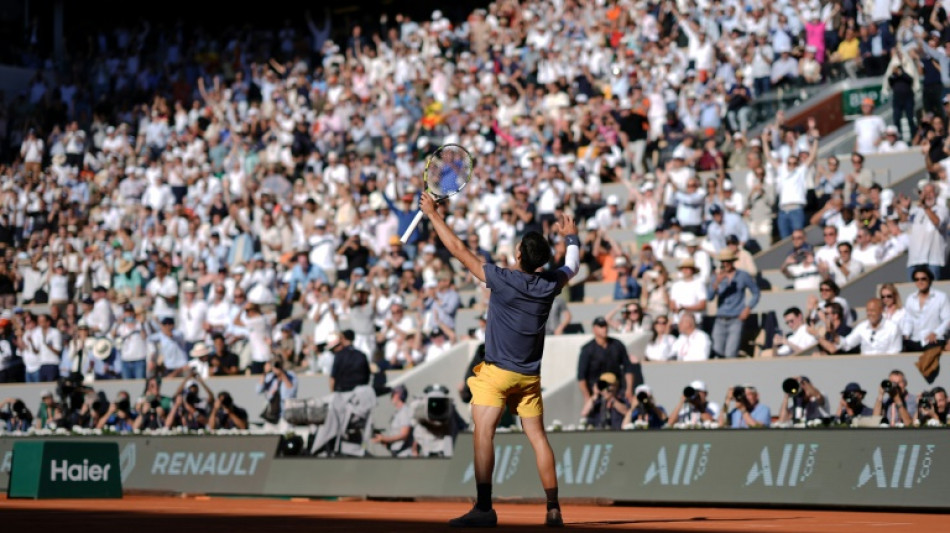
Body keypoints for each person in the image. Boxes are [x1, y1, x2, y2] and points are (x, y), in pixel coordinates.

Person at [419, 192, 579, 528]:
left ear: (519, 254)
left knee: (483, 434)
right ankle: (553, 508)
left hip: (496, 374)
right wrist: (572, 238)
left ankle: (484, 508)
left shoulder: (504, 280)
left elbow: (460, 252)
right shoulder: (549, 284)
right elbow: (573, 266)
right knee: (538, 437)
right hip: (529, 378)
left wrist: (432, 215)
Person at [708, 248, 759, 358]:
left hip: (736, 319)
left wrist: (748, 308)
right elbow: (709, 297)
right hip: (720, 318)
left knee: (731, 353)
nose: (725, 264)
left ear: (733, 261)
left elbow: (756, 292)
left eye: (728, 261)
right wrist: (717, 282)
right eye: (723, 262)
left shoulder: (743, 275)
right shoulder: (716, 276)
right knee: (717, 352)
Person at [577, 317, 634, 404]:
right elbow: (581, 377)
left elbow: (628, 368)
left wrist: (629, 390)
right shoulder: (587, 349)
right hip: (596, 392)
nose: (605, 329)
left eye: (606, 326)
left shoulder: (617, 345)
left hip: (616, 390)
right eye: (601, 326)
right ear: (594, 329)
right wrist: (587, 396)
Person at [901, 266, 950, 352]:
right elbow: (908, 320)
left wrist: (936, 333)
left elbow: (948, 319)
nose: (920, 282)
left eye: (923, 279)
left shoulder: (941, 297)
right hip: (915, 340)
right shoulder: (911, 298)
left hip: (934, 340)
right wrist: (906, 335)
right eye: (917, 279)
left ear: (929, 280)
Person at [905, 182, 947, 281]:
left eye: (931, 192)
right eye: (925, 192)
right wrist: (904, 210)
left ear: (936, 194)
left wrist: (926, 208)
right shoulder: (915, 211)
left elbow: (938, 222)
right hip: (914, 261)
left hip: (933, 260)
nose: (928, 195)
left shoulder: (942, 210)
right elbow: (905, 226)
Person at [831, 298, 902, 355]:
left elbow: (895, 353)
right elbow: (847, 344)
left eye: (872, 310)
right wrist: (833, 333)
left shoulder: (893, 328)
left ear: (881, 310)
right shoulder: (862, 327)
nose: (869, 313)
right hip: (864, 366)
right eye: (868, 311)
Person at [372, 384, 414, 457]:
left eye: (392, 394)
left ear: (397, 395)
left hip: (404, 455)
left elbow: (404, 435)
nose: (391, 397)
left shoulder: (404, 412)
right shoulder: (399, 413)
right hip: (397, 454)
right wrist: (383, 440)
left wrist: (385, 439)